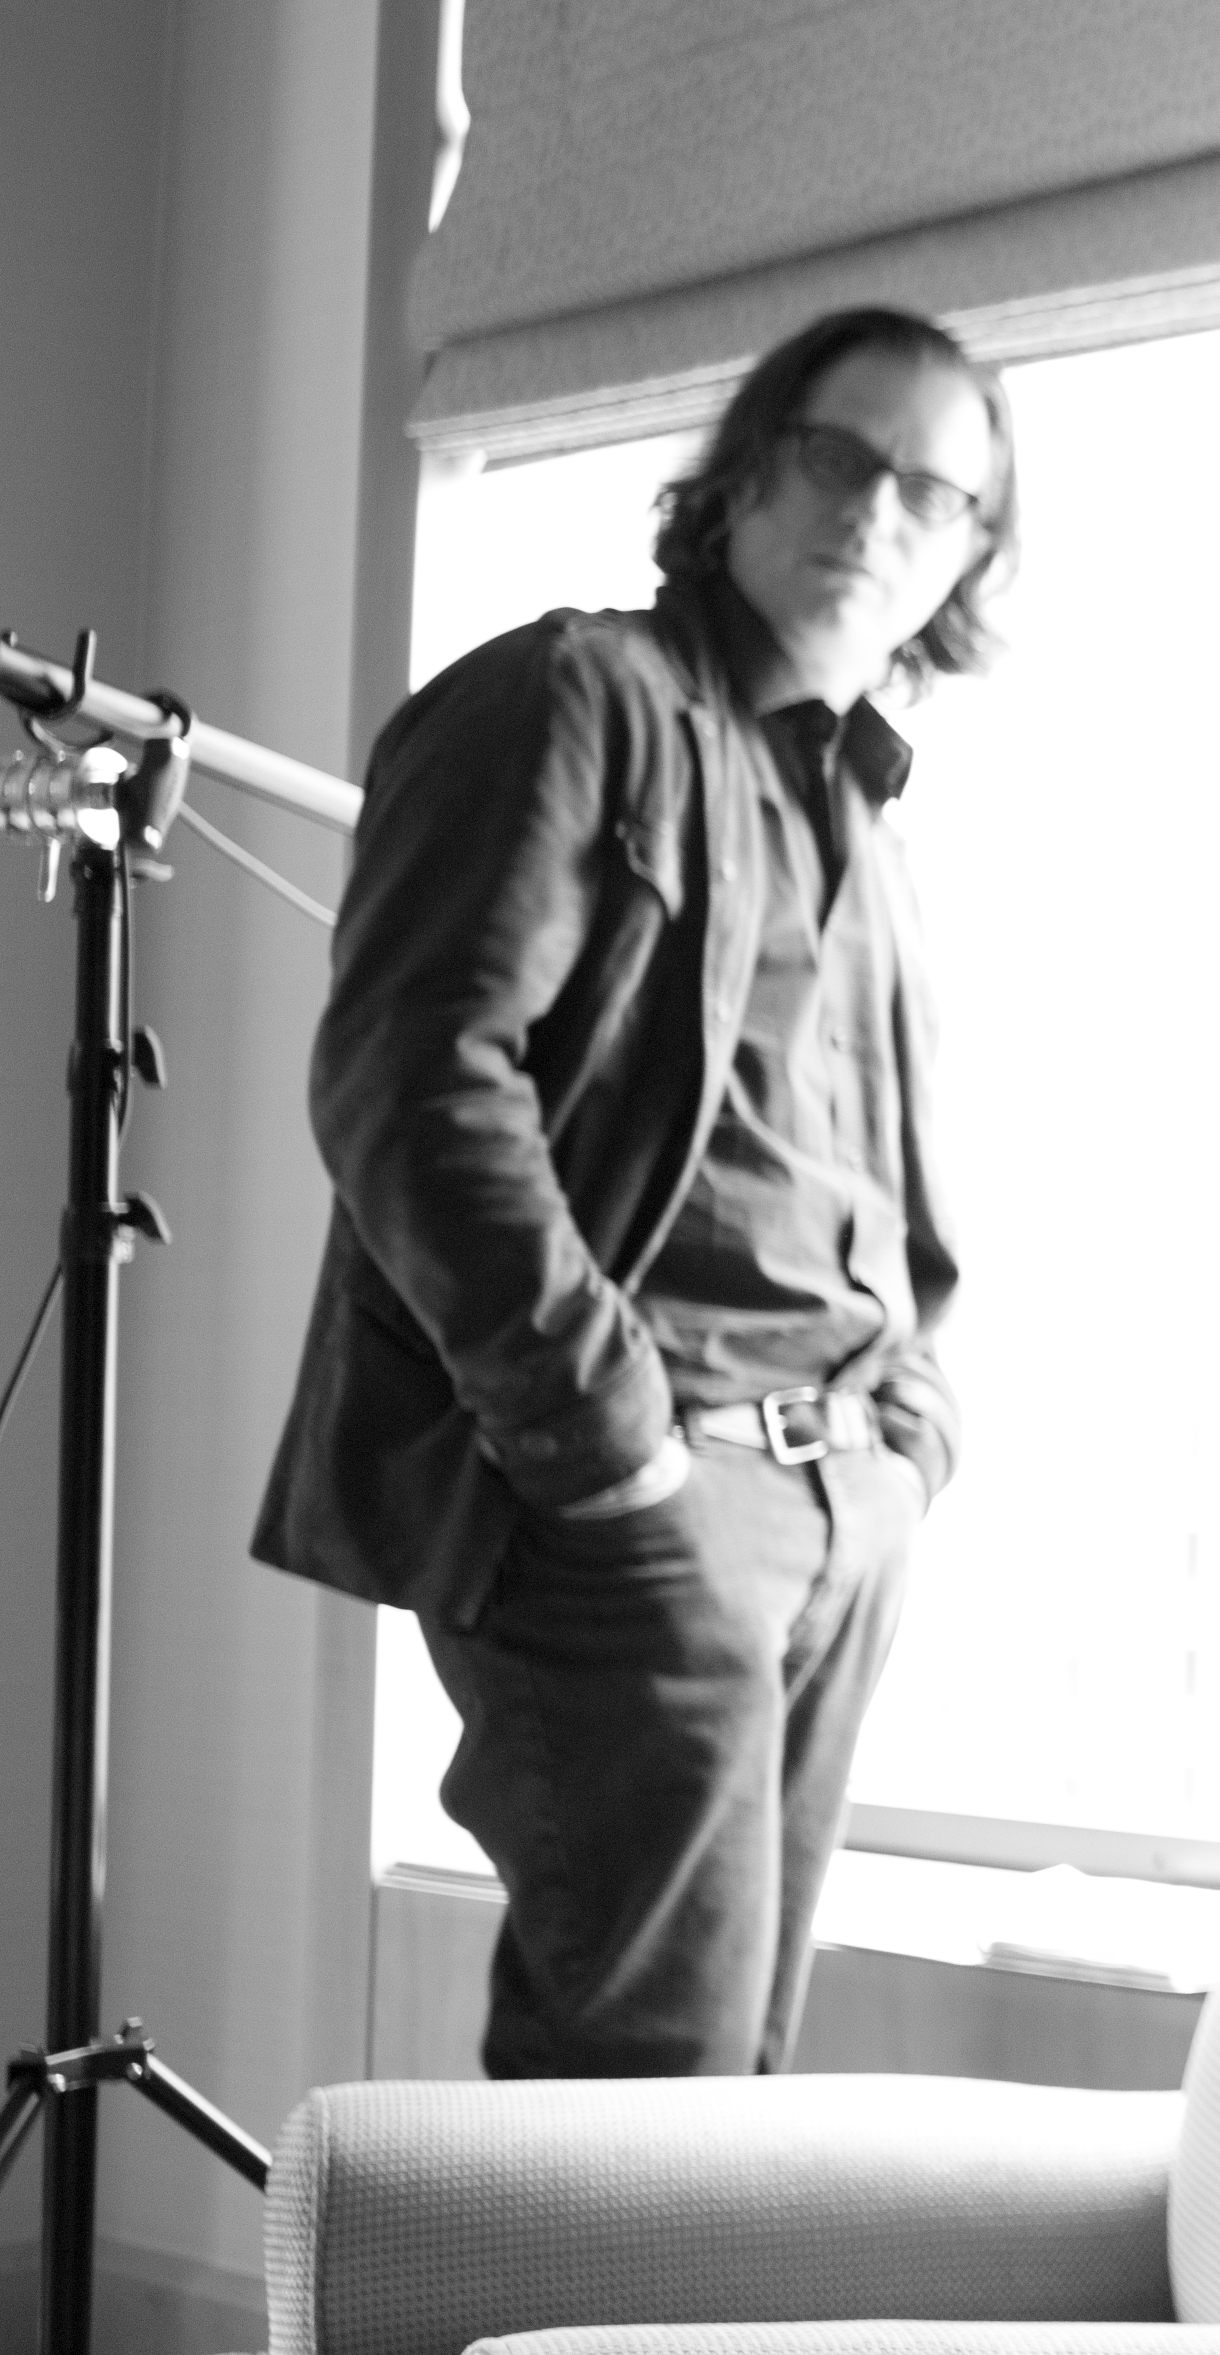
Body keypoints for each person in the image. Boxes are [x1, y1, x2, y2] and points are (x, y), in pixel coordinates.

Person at [254, 306, 1006, 2079]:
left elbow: (879, 1189)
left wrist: (909, 1447)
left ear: (968, 551)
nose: (878, 512)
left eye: (935, 492)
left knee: (728, 2104)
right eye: (841, 454)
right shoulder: (570, 697)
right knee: (635, 2099)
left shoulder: (866, 820)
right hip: (642, 1492)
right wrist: (617, 1454)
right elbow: (413, 1078)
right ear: (748, 465)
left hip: (842, 1507)